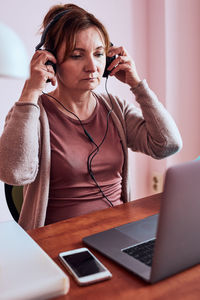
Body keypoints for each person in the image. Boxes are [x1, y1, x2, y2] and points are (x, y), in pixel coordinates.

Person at [0, 3, 182, 230]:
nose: (92, 66)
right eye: (77, 55)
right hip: (58, 241)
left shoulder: (115, 109)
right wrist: (30, 93)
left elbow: (167, 145)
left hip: (118, 232)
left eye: (98, 54)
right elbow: (14, 173)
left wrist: (138, 86)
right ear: (51, 61)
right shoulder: (33, 112)